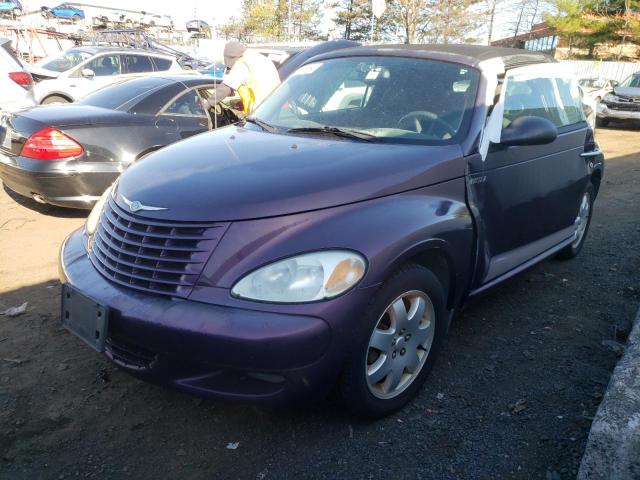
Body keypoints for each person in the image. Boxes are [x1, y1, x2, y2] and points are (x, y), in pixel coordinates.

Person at [206, 41, 281, 115]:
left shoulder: (242, 63)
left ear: (230, 56)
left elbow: (226, 88)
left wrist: (207, 104)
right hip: (276, 105)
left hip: (261, 109)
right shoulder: (259, 58)